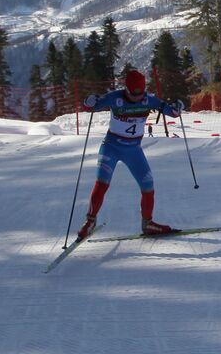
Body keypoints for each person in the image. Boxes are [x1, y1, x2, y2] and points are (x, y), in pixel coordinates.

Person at [76, 69, 185, 240]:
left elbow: (172, 112)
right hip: (111, 147)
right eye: (133, 94)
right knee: (102, 183)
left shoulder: (149, 100)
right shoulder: (115, 97)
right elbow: (90, 106)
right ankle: (90, 221)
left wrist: (178, 108)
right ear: (126, 89)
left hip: (134, 150)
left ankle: (148, 223)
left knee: (148, 186)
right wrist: (88, 102)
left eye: (140, 94)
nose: (137, 98)